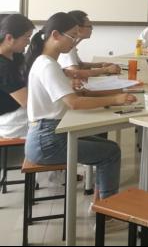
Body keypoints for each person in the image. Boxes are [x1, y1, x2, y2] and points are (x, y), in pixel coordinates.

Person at [24, 12, 136, 203]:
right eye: (72, 36)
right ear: (55, 35)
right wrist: (116, 99)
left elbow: (81, 94)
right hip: (47, 141)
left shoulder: (48, 62)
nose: (75, 41)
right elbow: (74, 103)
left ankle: (101, 204)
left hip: (49, 134)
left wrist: (116, 95)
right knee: (110, 153)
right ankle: (107, 209)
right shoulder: (47, 65)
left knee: (110, 147)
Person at [59, 10, 121, 79]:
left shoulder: (72, 45)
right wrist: (105, 70)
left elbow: (80, 65)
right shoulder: (68, 49)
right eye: (89, 26)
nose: (92, 29)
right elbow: (76, 74)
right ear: (78, 28)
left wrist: (101, 64)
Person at [0, 14, 34, 139]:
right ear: (9, 38)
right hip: (10, 121)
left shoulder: (16, 56)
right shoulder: (3, 67)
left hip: (19, 112)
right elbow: (27, 102)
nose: (29, 42)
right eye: (26, 37)